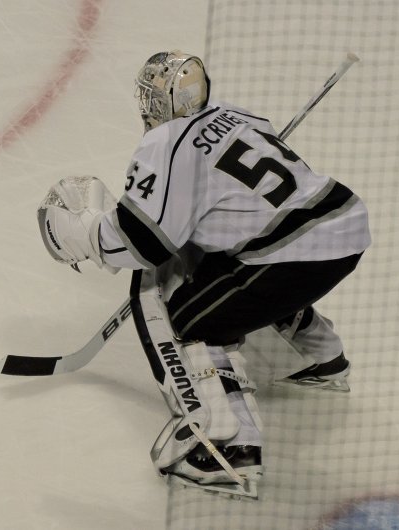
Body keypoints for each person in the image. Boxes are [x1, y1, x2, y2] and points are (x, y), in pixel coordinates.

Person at [37, 51, 371, 498]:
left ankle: (229, 449)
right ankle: (320, 358)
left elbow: (142, 244)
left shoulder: (166, 143)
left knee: (190, 319)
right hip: (340, 224)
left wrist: (85, 234)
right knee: (229, 282)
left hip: (295, 253)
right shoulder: (235, 114)